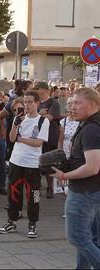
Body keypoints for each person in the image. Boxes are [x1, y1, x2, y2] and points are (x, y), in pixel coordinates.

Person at [50, 88, 100, 269]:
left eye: (77, 103)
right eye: (71, 103)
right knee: (91, 239)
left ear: (93, 105)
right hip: (93, 190)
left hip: (85, 192)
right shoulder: (89, 124)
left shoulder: (91, 129)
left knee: (78, 237)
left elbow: (92, 167)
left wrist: (64, 175)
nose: (72, 107)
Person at [0, 91, 50, 239]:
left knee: (34, 194)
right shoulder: (19, 118)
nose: (27, 105)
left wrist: (22, 139)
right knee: (13, 192)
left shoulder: (42, 121)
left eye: (30, 102)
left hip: (33, 164)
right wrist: (15, 125)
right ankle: (11, 221)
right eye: (25, 102)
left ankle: (32, 223)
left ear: (37, 103)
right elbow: (12, 139)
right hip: (16, 161)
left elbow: (38, 142)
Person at [35, 81, 61, 198]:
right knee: (36, 162)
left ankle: (50, 187)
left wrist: (37, 115)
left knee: (49, 163)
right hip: (37, 137)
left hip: (50, 137)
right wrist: (39, 114)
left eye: (38, 89)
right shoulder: (36, 103)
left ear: (45, 90)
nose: (36, 91)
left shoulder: (53, 103)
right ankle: (37, 186)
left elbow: (49, 117)